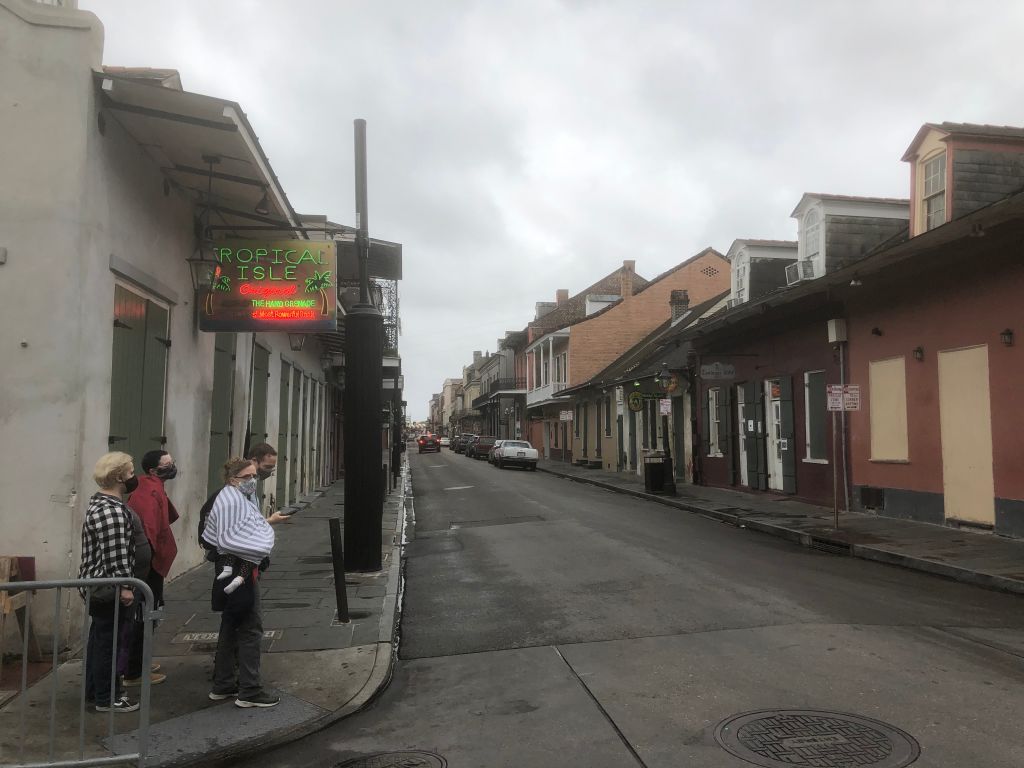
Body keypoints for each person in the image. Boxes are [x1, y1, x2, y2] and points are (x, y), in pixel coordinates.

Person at [202, 457, 289, 708]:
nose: (253, 481)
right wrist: (259, 547)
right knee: (251, 628)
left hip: (233, 569)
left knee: (230, 625)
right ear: (233, 480)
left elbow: (243, 528)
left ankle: (223, 684)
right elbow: (230, 538)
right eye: (247, 477)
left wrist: (266, 525)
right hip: (240, 572)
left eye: (254, 476)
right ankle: (249, 690)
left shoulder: (235, 498)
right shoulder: (231, 501)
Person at [79, 452, 139, 713]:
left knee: (101, 639)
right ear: (118, 477)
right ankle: (108, 697)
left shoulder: (100, 504)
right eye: (130, 471)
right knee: (109, 644)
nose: (133, 476)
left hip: (99, 586)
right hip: (108, 588)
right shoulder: (111, 511)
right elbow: (116, 554)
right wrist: (125, 586)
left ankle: (96, 691)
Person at [123, 450, 179, 687]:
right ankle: (134, 671)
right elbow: (149, 529)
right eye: (167, 464)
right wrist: (152, 560)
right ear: (153, 470)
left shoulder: (153, 485)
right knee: (146, 614)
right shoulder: (148, 490)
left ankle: (139, 661)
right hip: (150, 565)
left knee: (148, 612)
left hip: (153, 562)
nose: (172, 466)